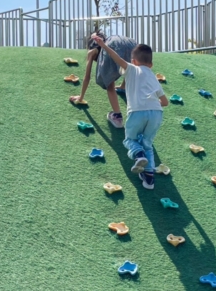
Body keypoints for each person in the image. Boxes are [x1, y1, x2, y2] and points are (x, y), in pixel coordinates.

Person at [91, 36, 167, 190]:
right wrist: (152, 104)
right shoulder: (153, 78)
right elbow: (165, 102)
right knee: (148, 144)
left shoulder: (131, 68)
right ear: (151, 64)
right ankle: (149, 179)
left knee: (130, 140)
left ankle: (138, 155)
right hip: (157, 113)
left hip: (137, 111)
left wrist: (103, 45)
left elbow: (116, 57)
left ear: (134, 61)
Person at [69, 31, 136, 128]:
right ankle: (123, 86)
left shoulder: (92, 52)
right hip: (132, 44)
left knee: (108, 81)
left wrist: (81, 97)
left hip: (113, 45)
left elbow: (87, 77)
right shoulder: (110, 39)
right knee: (129, 67)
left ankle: (117, 117)